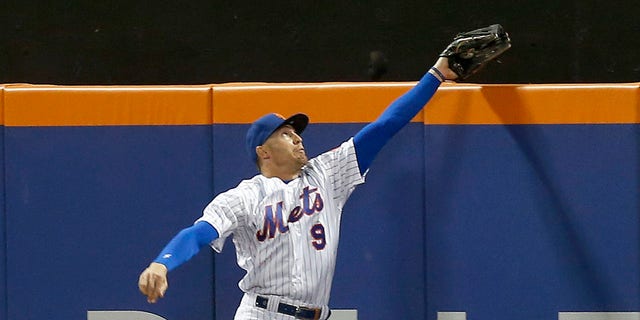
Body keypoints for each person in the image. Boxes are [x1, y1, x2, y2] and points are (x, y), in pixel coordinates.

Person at [138, 56, 458, 320]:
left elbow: (385, 126)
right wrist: (162, 263)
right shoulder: (245, 196)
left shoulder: (328, 175)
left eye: (297, 133)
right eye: (285, 134)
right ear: (263, 151)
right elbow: (200, 233)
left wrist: (436, 74)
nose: (297, 138)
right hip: (263, 313)